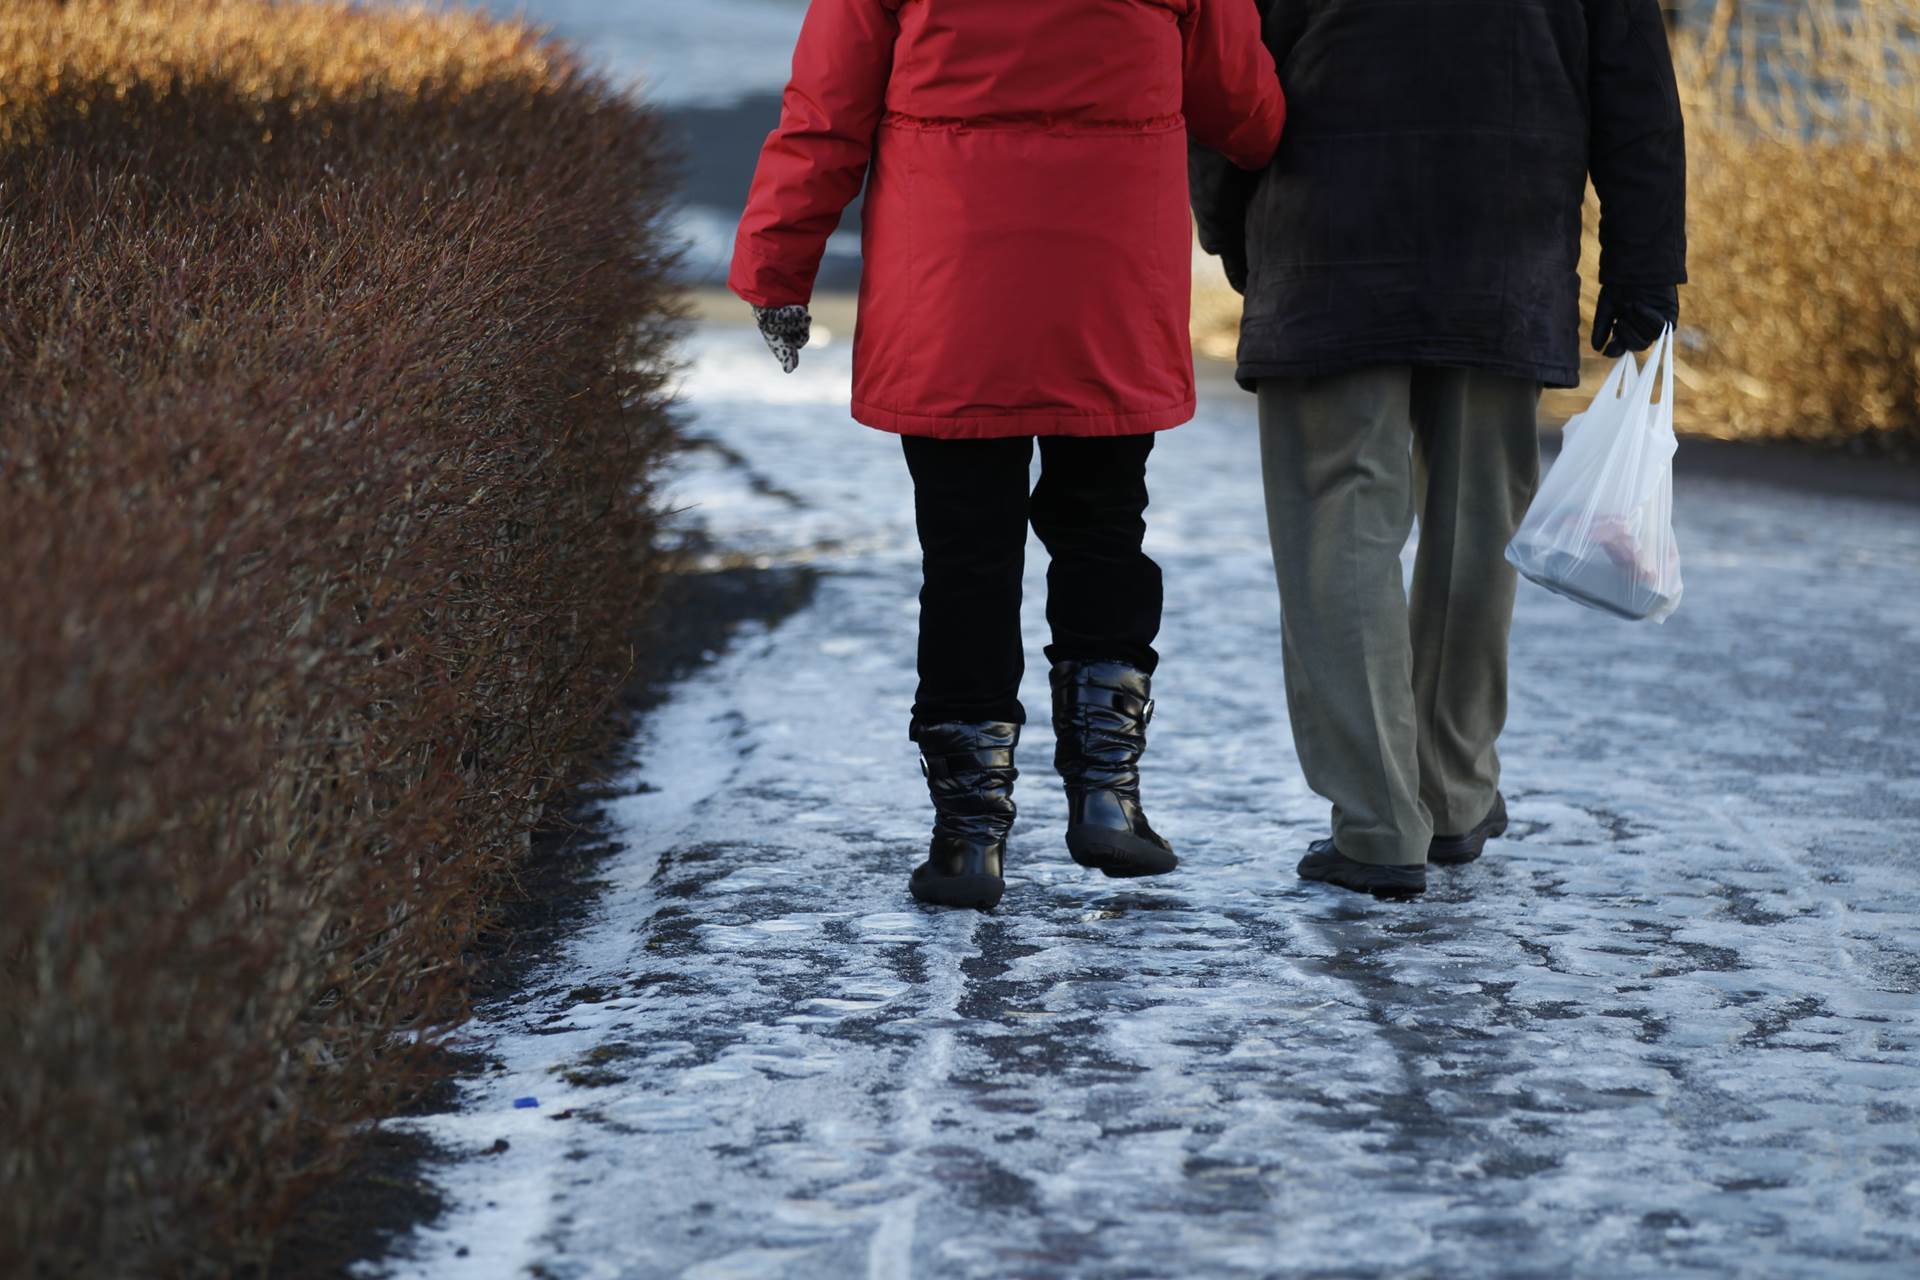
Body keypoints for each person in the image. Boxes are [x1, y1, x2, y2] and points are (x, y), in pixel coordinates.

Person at [732, 0, 1285, 911]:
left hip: (948, 284)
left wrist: (775, 270)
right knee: (1104, 529)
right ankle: (1108, 796)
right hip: (1107, 285)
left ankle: (969, 837)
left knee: (965, 557)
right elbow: (1244, 112)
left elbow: (824, 116)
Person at [1191, 0, 1687, 898]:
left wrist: (1228, 218)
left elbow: (1230, 57)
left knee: (1341, 509)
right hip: (1505, 236)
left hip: (1325, 228)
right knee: (1478, 513)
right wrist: (1644, 261)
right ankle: (1453, 792)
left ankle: (1379, 821)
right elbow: (1633, 83)